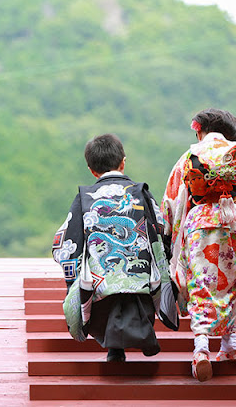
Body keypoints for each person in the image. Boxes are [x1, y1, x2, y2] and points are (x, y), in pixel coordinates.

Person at [52, 133, 178, 363]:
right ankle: (144, 338)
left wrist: (70, 261)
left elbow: (67, 238)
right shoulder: (141, 192)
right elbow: (160, 227)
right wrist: (164, 255)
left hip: (102, 278)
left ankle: (114, 351)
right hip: (139, 274)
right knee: (140, 298)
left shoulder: (84, 196)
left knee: (102, 303)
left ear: (91, 170)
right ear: (123, 162)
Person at [162, 108, 236, 382]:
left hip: (201, 223)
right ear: (232, 133)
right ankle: (230, 346)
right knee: (230, 280)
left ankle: (202, 348)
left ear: (199, 130)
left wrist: (171, 231)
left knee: (202, 282)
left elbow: (173, 199)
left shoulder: (190, 155)